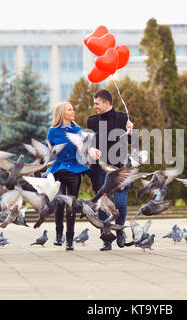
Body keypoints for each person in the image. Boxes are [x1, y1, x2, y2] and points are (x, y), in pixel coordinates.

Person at [45, 101, 100, 251]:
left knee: (72, 205)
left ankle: (70, 240)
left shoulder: (77, 130)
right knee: (60, 202)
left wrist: (92, 151)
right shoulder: (52, 131)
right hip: (58, 170)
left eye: (73, 109)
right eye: (70, 109)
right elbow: (47, 152)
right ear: (62, 113)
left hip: (74, 170)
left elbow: (85, 148)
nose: (73, 111)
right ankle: (58, 235)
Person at [87, 89, 134, 251]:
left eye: (96, 103)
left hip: (120, 169)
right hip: (100, 169)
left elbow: (133, 142)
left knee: (120, 203)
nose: (94, 107)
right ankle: (106, 239)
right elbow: (89, 144)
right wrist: (92, 150)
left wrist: (131, 131)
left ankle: (119, 231)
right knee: (103, 206)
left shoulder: (123, 118)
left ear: (107, 103)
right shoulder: (92, 121)